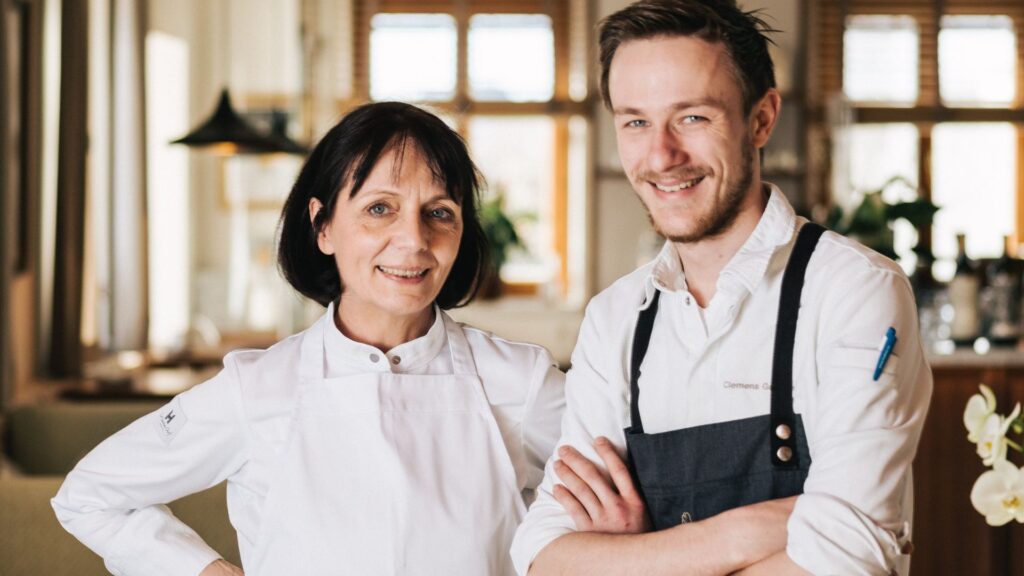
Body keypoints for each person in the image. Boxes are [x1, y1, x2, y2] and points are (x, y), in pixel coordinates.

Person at [52, 101, 565, 576]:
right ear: (322, 226)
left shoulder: (519, 382)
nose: (414, 240)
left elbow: (622, 500)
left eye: (439, 212)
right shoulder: (257, 388)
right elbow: (91, 495)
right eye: (380, 208)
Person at [511, 1, 932, 574]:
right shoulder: (614, 319)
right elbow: (542, 554)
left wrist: (636, 555)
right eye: (635, 121)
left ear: (761, 119)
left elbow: (849, 551)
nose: (661, 155)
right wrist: (760, 529)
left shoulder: (853, 291)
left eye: (693, 117)